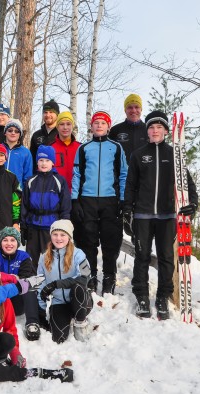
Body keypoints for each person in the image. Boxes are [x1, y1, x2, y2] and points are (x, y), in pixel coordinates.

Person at [123, 111, 198, 320]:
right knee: (142, 257)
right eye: (151, 127)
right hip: (143, 215)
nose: (155, 130)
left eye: (159, 127)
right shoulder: (138, 155)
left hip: (167, 216)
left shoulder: (175, 155)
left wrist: (192, 204)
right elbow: (130, 185)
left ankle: (163, 297)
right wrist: (127, 210)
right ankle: (142, 297)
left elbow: (188, 185)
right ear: (147, 131)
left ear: (166, 131)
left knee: (166, 258)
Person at [71, 111, 128, 295]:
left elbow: (123, 174)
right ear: (91, 126)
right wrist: (74, 200)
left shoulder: (116, 147)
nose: (99, 125)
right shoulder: (84, 148)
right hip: (87, 200)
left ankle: (109, 277)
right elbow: (77, 174)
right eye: (96, 122)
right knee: (87, 241)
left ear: (108, 126)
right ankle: (90, 276)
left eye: (103, 123)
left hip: (110, 200)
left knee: (110, 242)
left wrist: (122, 200)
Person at [34, 220, 93, 343]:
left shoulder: (78, 254)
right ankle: (62, 317)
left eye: (62, 234)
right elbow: (40, 284)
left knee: (77, 288)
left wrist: (56, 284)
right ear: (51, 236)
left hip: (79, 300)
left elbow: (84, 278)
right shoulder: (44, 257)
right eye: (55, 234)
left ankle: (80, 322)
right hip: (59, 302)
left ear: (69, 237)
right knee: (59, 338)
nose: (58, 238)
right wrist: (41, 311)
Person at [21, 145, 71, 265]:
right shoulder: (31, 181)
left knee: (49, 259)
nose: (44, 163)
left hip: (51, 227)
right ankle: (31, 281)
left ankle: (49, 282)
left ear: (53, 162)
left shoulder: (59, 181)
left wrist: (64, 227)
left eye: (47, 160)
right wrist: (23, 227)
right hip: (33, 226)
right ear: (37, 162)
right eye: (41, 160)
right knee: (31, 259)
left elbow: (65, 206)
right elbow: (24, 205)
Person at [0, 227, 36, 317]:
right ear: (0, 242)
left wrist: (11, 279)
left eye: (13, 240)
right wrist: (12, 278)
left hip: (17, 294)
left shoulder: (24, 256)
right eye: (5, 240)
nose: (9, 244)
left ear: (17, 243)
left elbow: (26, 277)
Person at [109, 93, 147, 162]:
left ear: (141, 109)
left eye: (136, 107)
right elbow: (108, 154)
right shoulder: (115, 130)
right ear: (125, 110)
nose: (133, 110)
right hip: (122, 172)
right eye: (130, 107)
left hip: (144, 172)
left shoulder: (149, 130)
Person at [50, 111, 80, 194]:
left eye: (68, 124)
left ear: (72, 126)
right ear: (57, 127)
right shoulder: (50, 148)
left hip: (76, 195)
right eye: (62, 124)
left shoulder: (80, 148)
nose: (65, 127)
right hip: (55, 194)